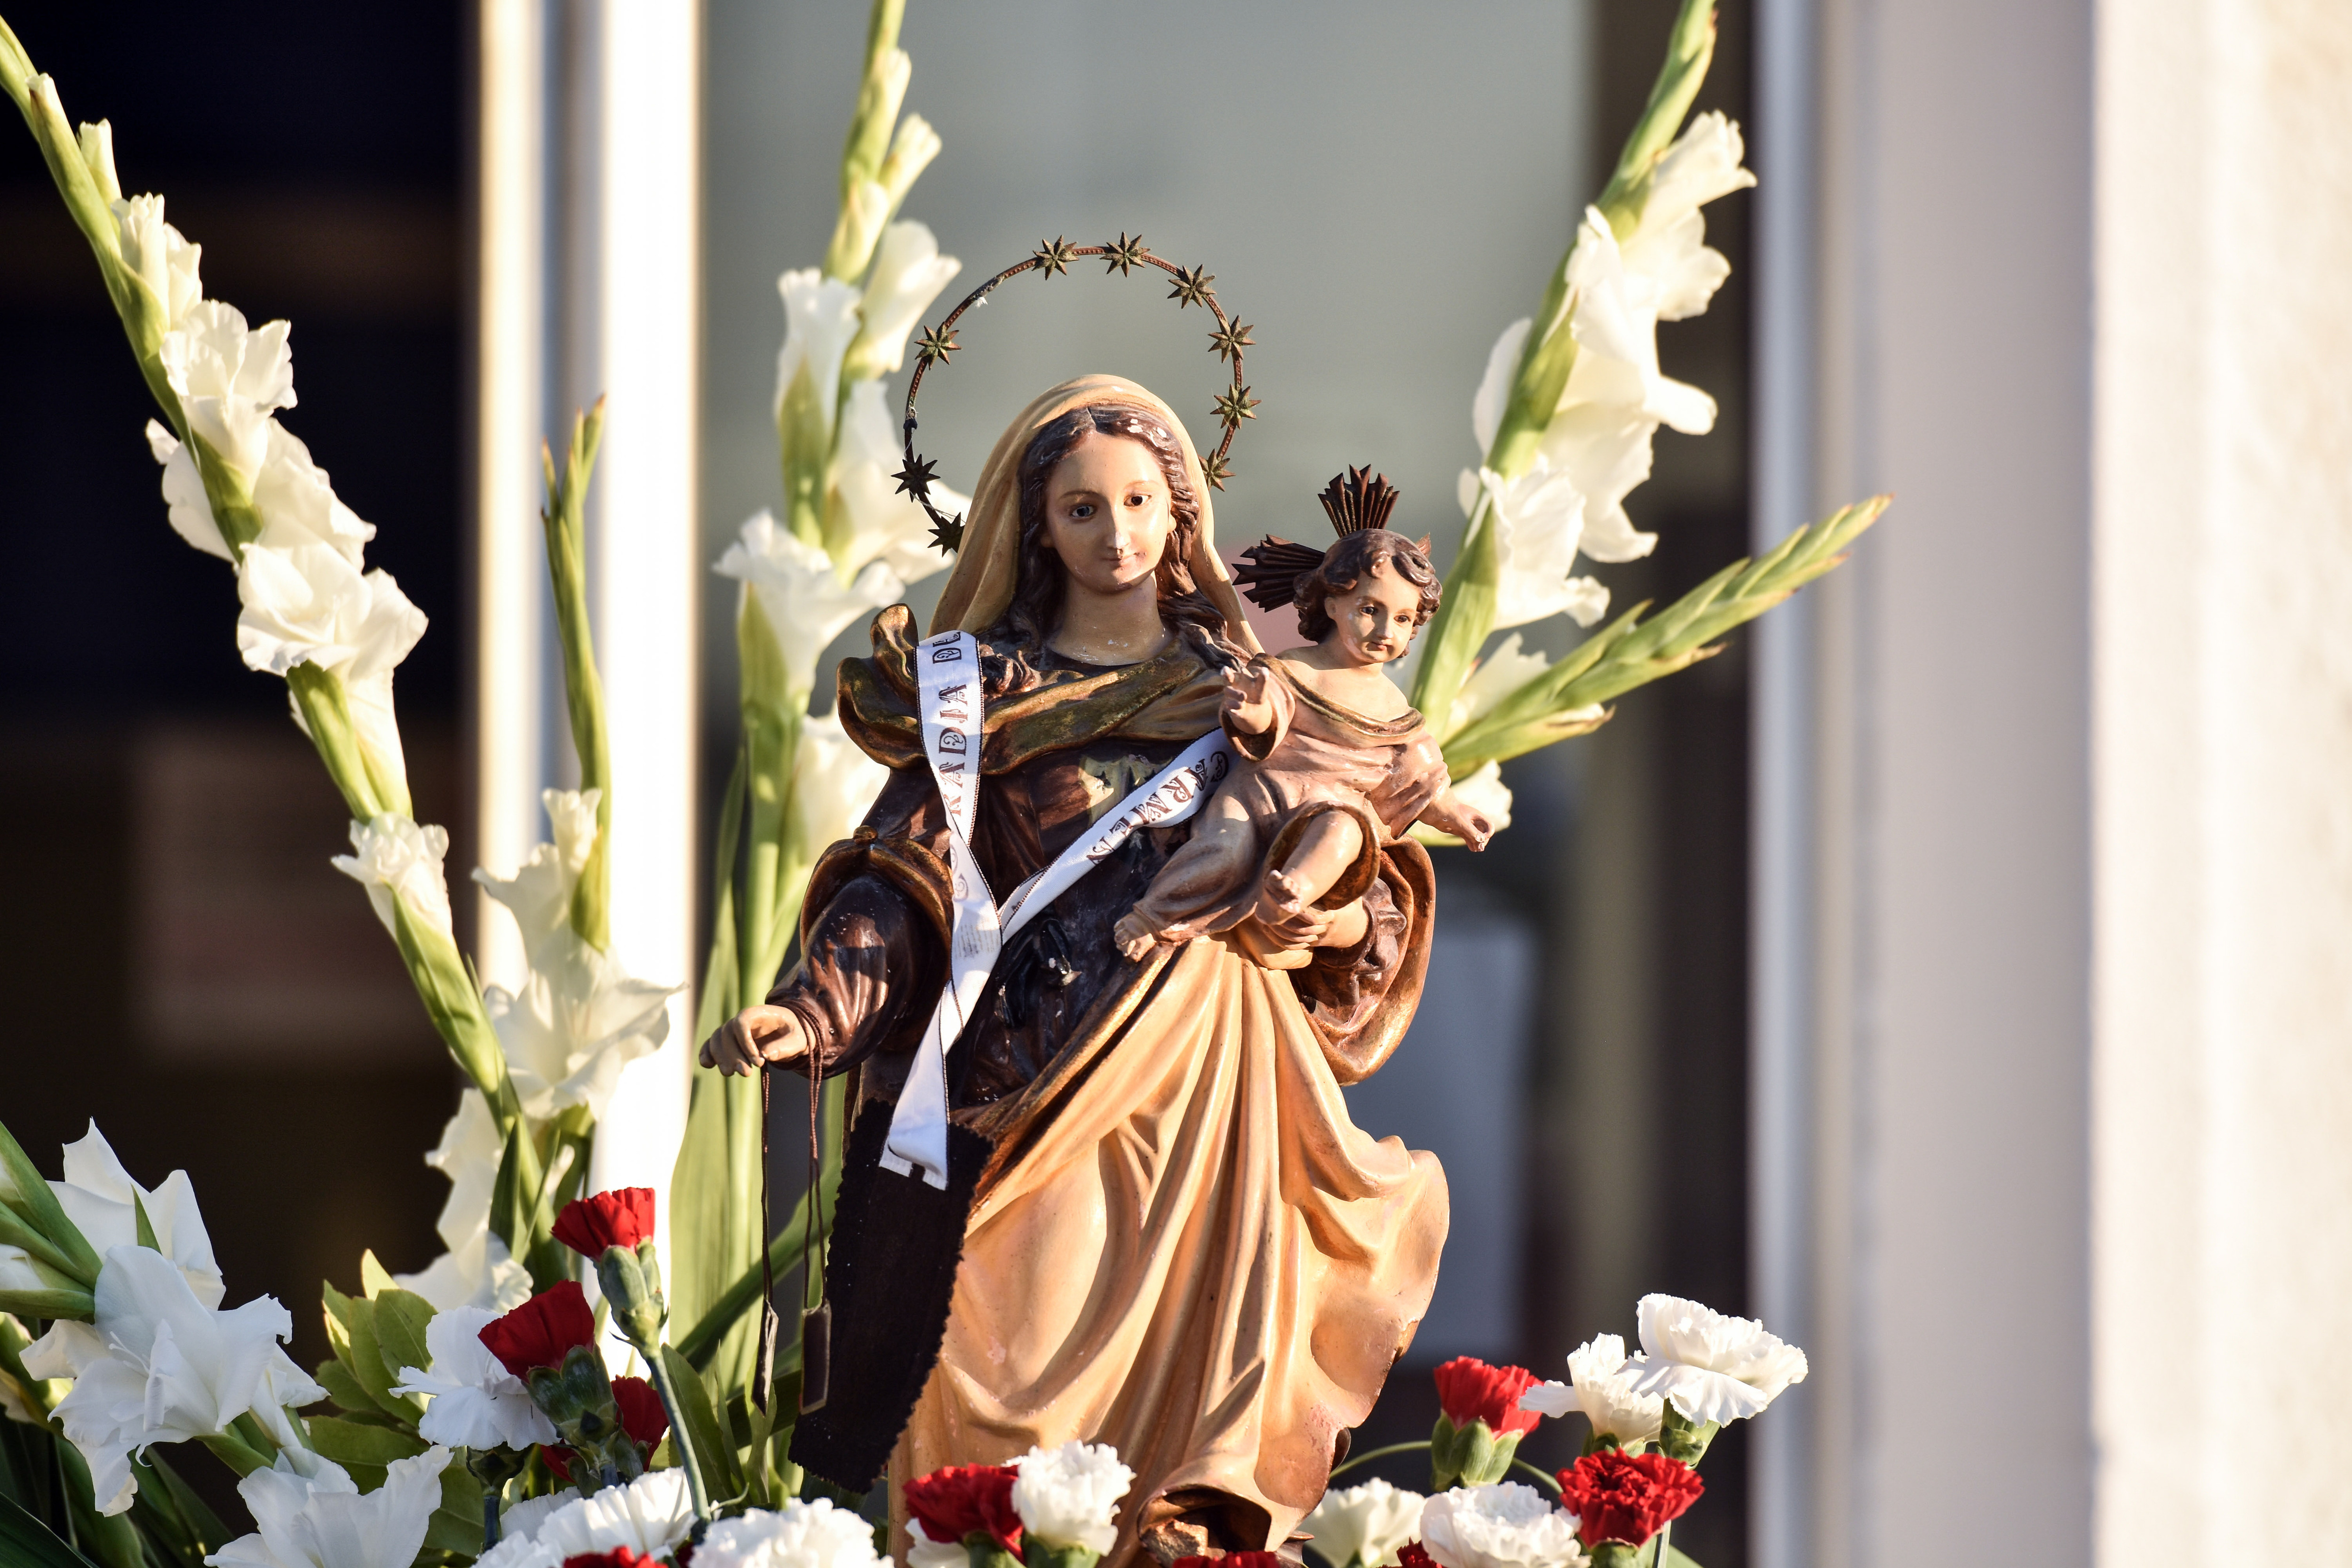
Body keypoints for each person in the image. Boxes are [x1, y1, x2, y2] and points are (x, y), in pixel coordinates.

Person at [700, 376, 1447, 1568]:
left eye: (1142, 500)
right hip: (1030, 1083)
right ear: (1032, 524)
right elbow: (908, 881)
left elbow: (1362, 864)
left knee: (1185, 1420)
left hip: (1212, 1085)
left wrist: (1327, 915)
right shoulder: (974, 701)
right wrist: (816, 1006)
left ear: (1183, 511)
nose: (1119, 533)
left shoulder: (1252, 692)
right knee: (995, 1366)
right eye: (1083, 507)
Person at [1111, 496, 1493, 968]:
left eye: (1402, 619)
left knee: (1345, 832)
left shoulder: (1394, 708)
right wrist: (1251, 715)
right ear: (1333, 603)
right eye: (1369, 609)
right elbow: (1266, 711)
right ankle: (1151, 917)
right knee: (1223, 850)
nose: (1384, 630)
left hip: (1327, 808)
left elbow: (1419, 775)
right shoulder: (1296, 668)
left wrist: (1454, 812)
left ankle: (1293, 892)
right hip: (1257, 797)